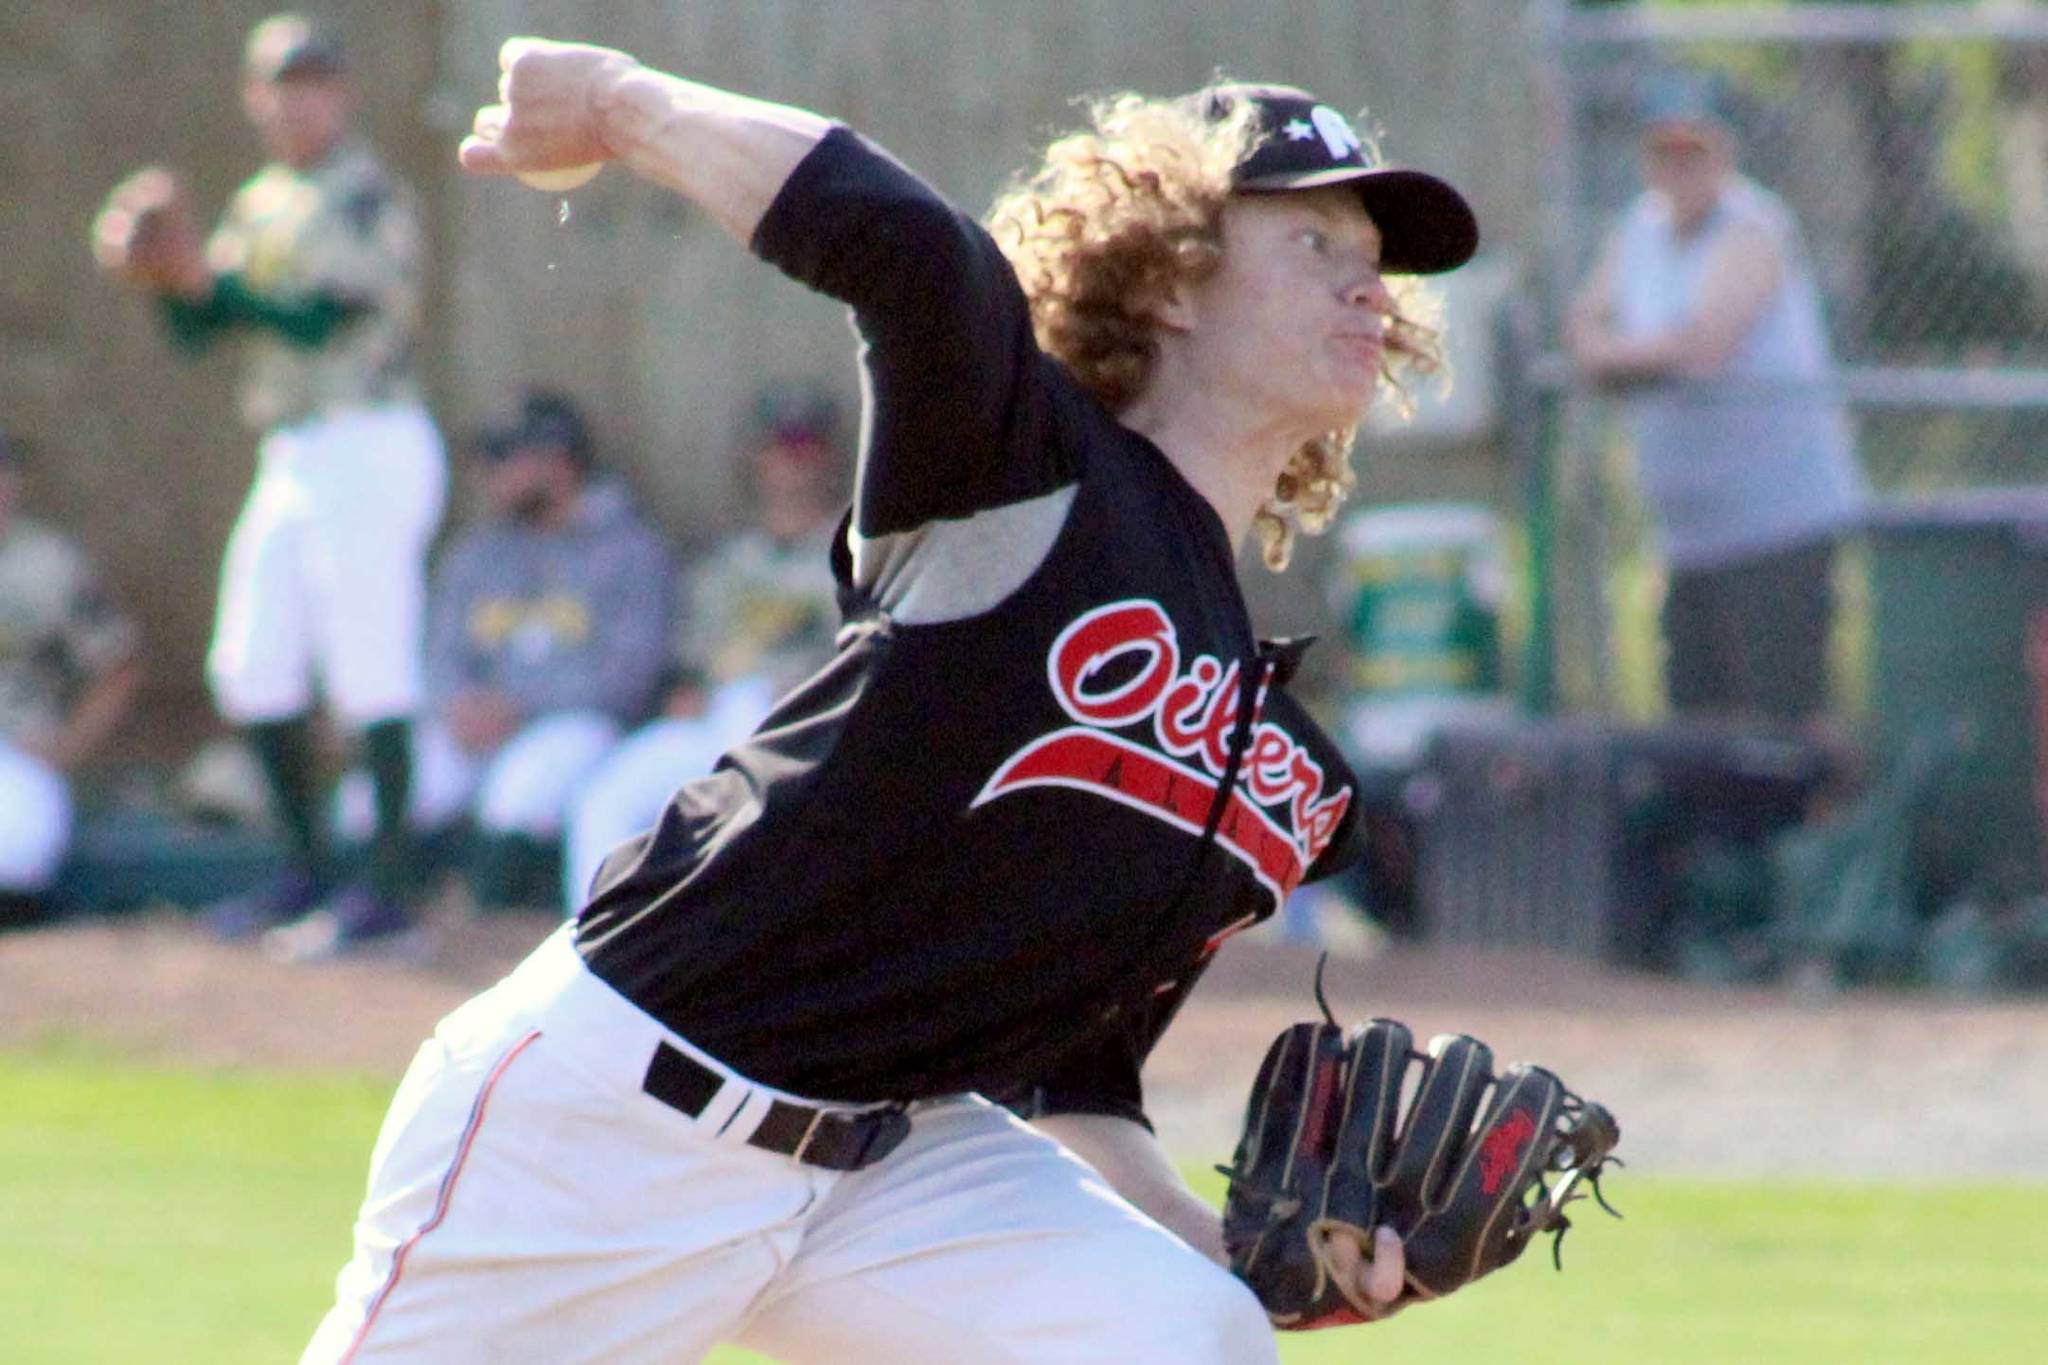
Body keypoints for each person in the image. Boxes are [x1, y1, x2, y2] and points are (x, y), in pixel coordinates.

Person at [300, 38, 1477, 1364]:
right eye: (1315, 241)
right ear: (1174, 278)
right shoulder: (1018, 467)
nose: (1366, 282)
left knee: (1186, 1336)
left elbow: (1079, 1081)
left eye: (1372, 257)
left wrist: (1258, 1263)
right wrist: (623, 107)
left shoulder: (1280, 772)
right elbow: (918, 254)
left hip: (894, 1176)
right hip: (612, 1125)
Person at [89, 14, 446, 954]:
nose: (301, 96)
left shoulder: (366, 192)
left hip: (369, 437)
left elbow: (322, 319)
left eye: (317, 79)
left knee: (371, 668)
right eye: (283, 81)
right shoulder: (262, 200)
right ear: (255, 98)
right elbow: (208, 332)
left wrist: (202, 275)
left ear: (345, 93)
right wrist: (162, 279)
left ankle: (390, 893)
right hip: (293, 451)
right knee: (252, 664)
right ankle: (306, 875)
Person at [1565, 71, 1867, 725]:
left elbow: (1704, 344)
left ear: (1723, 153)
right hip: (1690, 539)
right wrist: (1636, 354)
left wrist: (1626, 358)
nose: (1679, 167)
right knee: (1696, 729)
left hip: (1776, 529)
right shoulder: (1639, 230)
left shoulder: (1754, 227)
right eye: (1664, 151)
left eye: (1694, 151)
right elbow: (1584, 329)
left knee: (1780, 726)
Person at [382, 389, 673, 914]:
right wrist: (458, 705)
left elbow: (630, 676)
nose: (492, 472)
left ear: (558, 462)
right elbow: (438, 653)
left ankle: (492, 933)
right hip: (476, 723)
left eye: (505, 456)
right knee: (377, 800)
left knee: (523, 790)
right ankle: (396, 921)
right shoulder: (477, 554)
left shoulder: (630, 550)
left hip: (578, 724)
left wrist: (519, 708)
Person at [559, 380, 845, 908]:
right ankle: (590, 938)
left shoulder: (854, 559)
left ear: (830, 456)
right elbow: (684, 666)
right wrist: (683, 690)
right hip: (714, 722)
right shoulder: (728, 563)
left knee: (749, 733)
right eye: (779, 446)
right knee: (606, 800)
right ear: (756, 457)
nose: (791, 461)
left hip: (798, 733)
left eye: (805, 445)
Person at [0, 433, 142, 923]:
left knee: (16, 847)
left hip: (15, 750)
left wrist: (67, 748)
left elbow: (118, 665)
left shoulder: (47, 563)